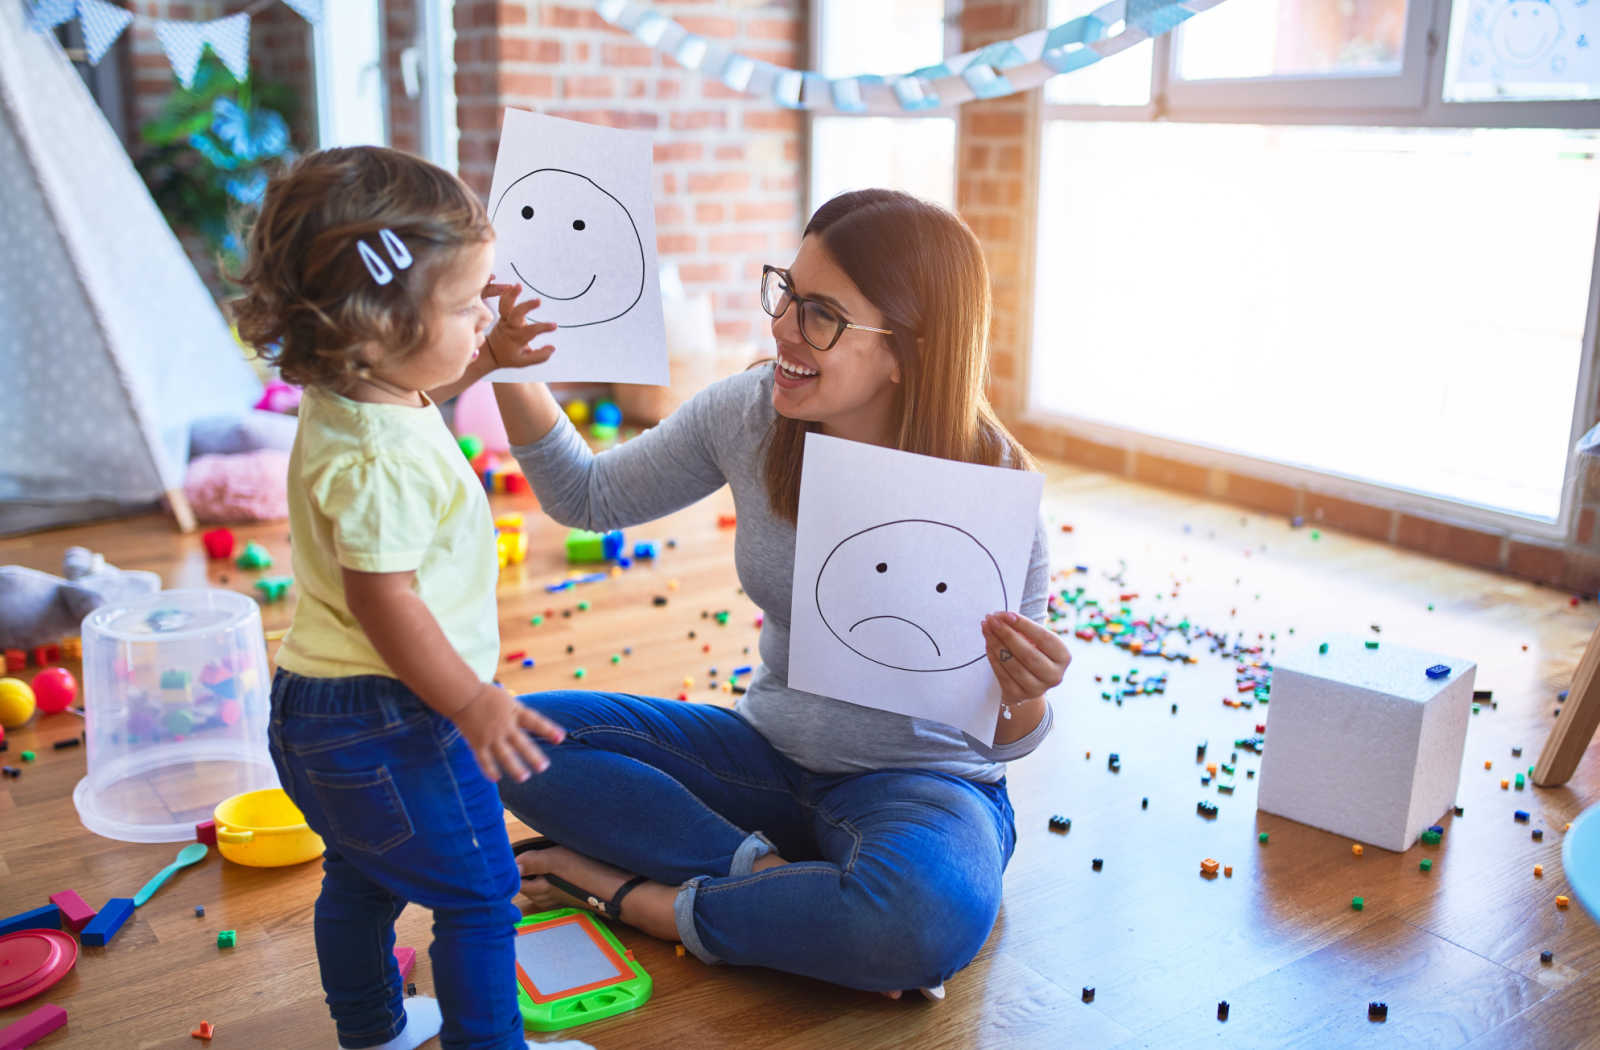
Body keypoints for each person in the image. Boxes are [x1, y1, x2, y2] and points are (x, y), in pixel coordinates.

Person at [478, 188, 1071, 999]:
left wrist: (1027, 697)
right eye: (785, 291)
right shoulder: (752, 413)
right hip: (763, 759)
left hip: (923, 789)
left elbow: (1004, 741)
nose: (783, 326)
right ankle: (761, 876)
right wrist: (512, 364)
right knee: (510, 738)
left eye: (821, 313)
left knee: (922, 921)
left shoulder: (992, 487)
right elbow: (589, 498)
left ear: (908, 348)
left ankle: (643, 898)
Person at [231, 146, 583, 1050]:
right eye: (468, 307)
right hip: (392, 714)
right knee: (480, 894)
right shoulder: (379, 461)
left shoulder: (351, 390)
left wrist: (487, 358)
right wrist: (469, 700)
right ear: (377, 327)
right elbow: (382, 597)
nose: (484, 318)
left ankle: (374, 1032)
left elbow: (413, 389)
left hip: (315, 707)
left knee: (360, 875)